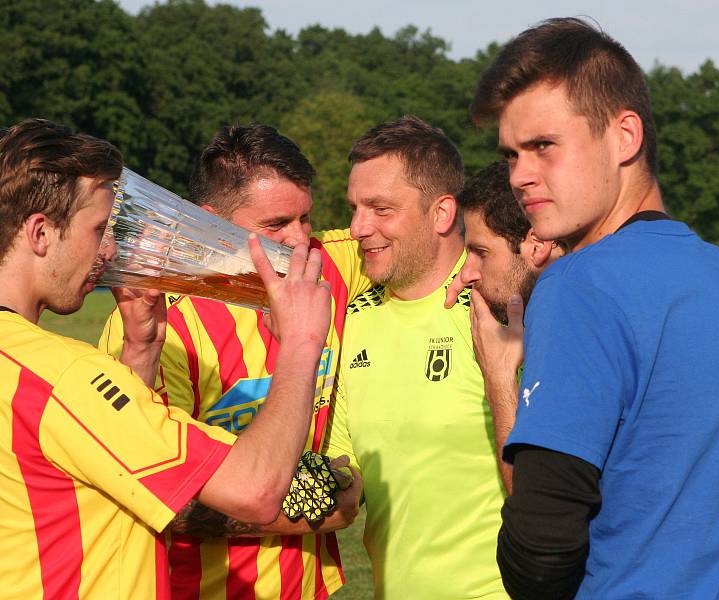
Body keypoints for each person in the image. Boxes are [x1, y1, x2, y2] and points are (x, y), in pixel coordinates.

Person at [470, 17, 719, 599]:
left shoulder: (580, 284)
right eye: (511, 153)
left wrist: (501, 376)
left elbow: (541, 551)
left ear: (624, 136)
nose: (519, 175)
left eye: (543, 145)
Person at [0, 118, 335, 598]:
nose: (111, 249)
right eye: (98, 229)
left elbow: (97, 467)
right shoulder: (67, 374)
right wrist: (303, 341)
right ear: (40, 233)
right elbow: (256, 492)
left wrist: (140, 350)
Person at [99, 123, 370, 599]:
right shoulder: (157, 325)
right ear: (211, 222)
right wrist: (319, 510)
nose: (299, 240)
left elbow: (421, 235)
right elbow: (165, 496)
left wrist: (468, 266)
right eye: (275, 226)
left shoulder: (328, 267)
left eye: (305, 218)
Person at [323, 116, 507, 599]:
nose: (358, 228)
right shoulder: (352, 322)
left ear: (442, 213)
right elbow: (345, 473)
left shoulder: (496, 311)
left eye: (381, 209)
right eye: (355, 208)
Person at [451, 161, 564, 491]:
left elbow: (534, 496)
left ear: (537, 242)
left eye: (480, 253)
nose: (467, 273)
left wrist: (499, 379)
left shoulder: (576, 331)